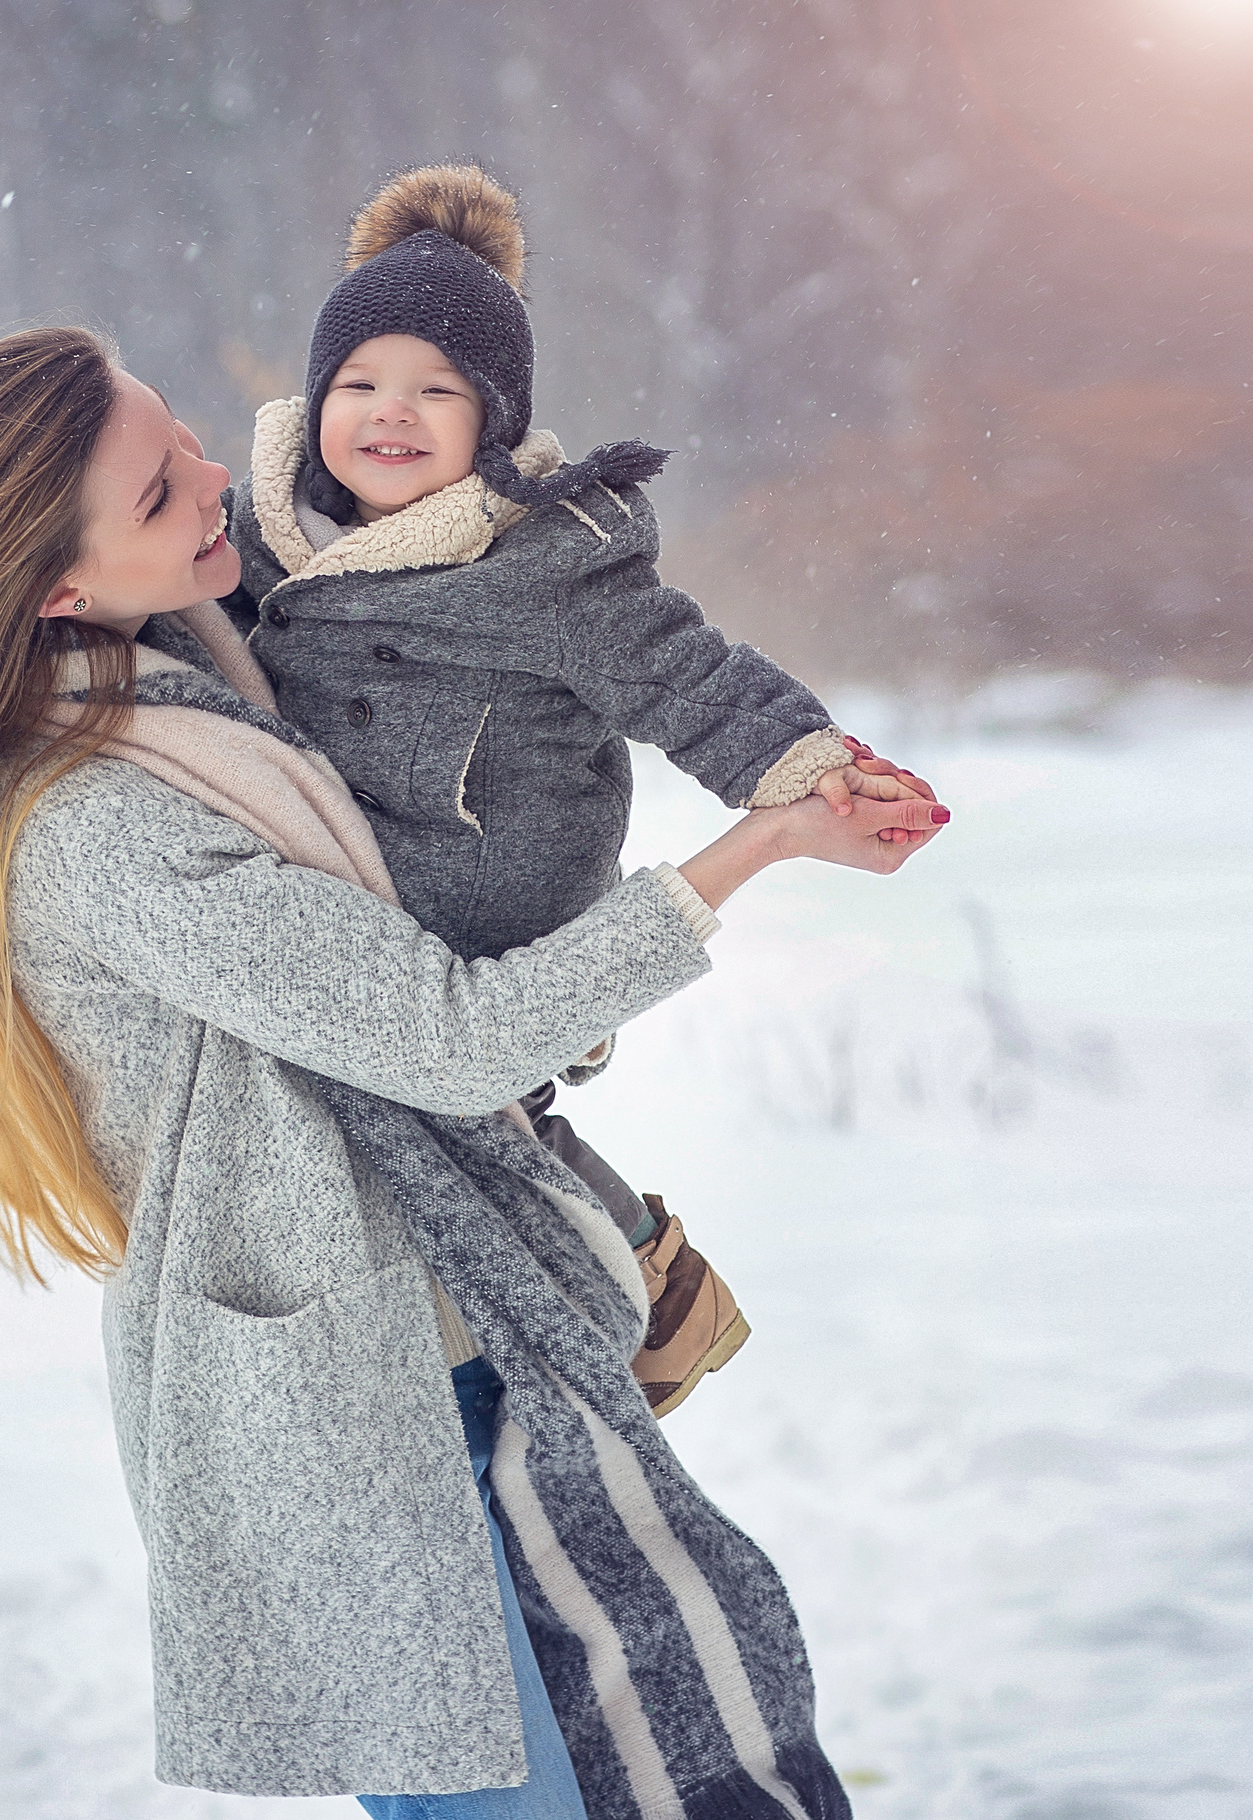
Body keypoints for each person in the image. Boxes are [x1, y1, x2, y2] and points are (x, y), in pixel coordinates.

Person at [0, 327, 944, 1820]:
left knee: (622, 1805)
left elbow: (474, 669)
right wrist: (750, 853)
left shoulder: (222, 675)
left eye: (182, 435)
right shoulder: (93, 817)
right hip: (331, 1408)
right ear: (59, 590)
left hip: (458, 1343)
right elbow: (446, 1033)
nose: (216, 476)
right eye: (157, 492)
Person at [228, 165, 940, 1415]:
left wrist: (814, 775)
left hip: (498, 904)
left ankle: (647, 1292)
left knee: (493, 1119)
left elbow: (692, 678)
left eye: (435, 391)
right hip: (344, 892)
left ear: (492, 420)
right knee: (399, 1132)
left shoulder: (550, 560)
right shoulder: (261, 534)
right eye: (360, 384)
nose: (390, 414)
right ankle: (510, 1325)